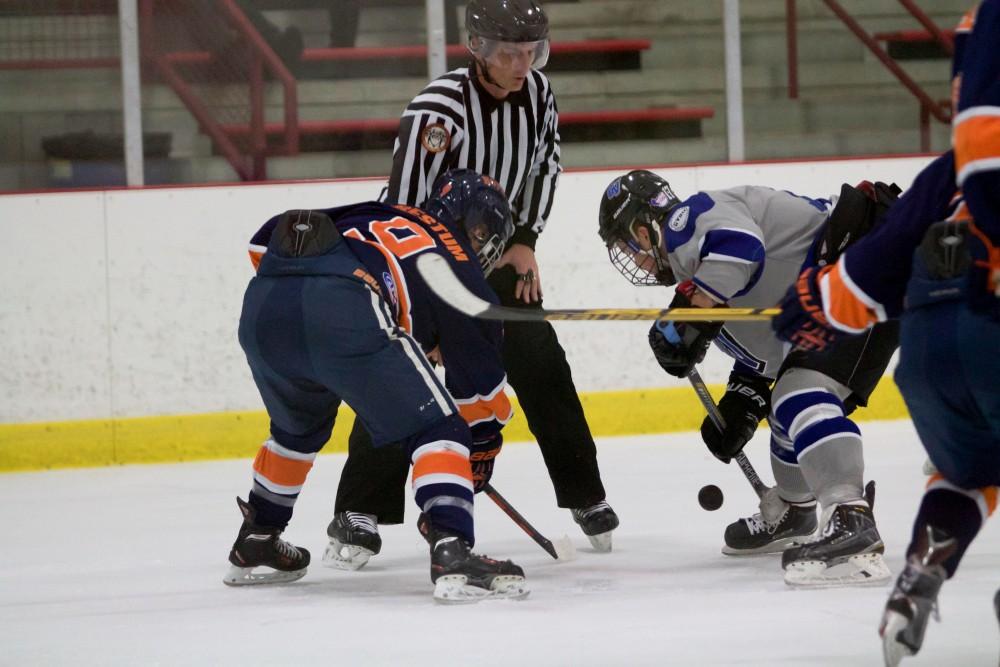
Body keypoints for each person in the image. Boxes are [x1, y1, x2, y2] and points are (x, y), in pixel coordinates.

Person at [326, 0, 618, 570]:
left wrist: (526, 238)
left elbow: (545, 166)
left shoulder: (538, 95)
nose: (521, 64)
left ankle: (586, 495)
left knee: (540, 358)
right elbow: (404, 207)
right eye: (509, 52)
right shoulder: (438, 110)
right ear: (478, 49)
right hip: (422, 264)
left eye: (531, 51)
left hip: (496, 256)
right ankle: (359, 509)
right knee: (404, 375)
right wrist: (424, 299)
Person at [773, 1, 1000, 661]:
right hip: (992, 321)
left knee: (968, 472)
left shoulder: (946, 172)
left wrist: (815, 305)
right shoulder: (981, 160)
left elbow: (872, 266)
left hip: (930, 342)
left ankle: (918, 575)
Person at [224, 169, 529, 603]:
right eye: (482, 233)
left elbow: (263, 241)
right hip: (347, 304)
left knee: (296, 431)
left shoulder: (378, 212)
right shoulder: (461, 268)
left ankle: (256, 537)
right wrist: (481, 449)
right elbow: (481, 395)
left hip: (265, 306)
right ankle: (452, 548)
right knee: (440, 429)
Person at [597, 169, 901, 587]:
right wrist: (741, 402)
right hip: (841, 283)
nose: (636, 261)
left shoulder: (685, 222)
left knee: (803, 392)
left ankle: (851, 517)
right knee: (787, 409)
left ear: (642, 227)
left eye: (629, 247)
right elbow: (774, 351)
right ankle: (795, 512)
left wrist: (692, 312)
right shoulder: (702, 273)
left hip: (857, 267)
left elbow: (742, 247)